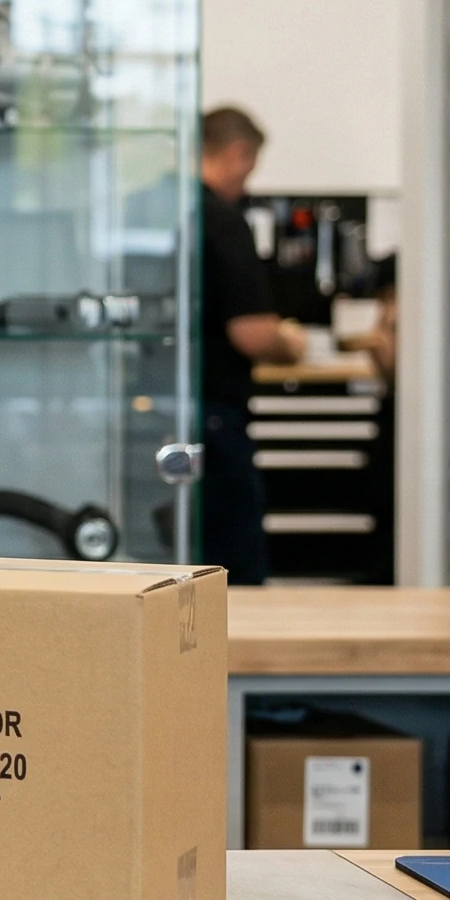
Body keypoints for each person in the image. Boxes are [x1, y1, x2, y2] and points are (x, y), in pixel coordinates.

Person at [198, 105, 307, 585]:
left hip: (150, 415)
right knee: (232, 572)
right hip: (214, 421)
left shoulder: (148, 208)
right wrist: (291, 343)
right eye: (249, 167)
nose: (247, 182)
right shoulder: (222, 220)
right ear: (237, 152)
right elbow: (253, 333)